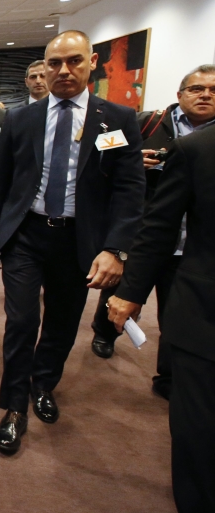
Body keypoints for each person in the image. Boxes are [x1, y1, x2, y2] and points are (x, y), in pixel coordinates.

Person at [0, 31, 145, 455]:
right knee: (20, 321)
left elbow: (130, 190)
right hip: (26, 234)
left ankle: (44, 383)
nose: (64, 71)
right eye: (54, 63)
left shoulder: (118, 119)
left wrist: (116, 248)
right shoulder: (21, 118)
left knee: (63, 320)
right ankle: (14, 405)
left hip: (80, 239)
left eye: (74, 61)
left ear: (92, 62)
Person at [89, 64, 215, 400]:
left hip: (189, 244)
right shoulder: (145, 122)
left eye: (213, 91)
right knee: (119, 288)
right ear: (180, 95)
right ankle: (104, 333)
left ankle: (168, 375)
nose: (205, 96)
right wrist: (133, 161)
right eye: (197, 89)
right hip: (141, 231)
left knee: (177, 311)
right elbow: (100, 151)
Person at [107, 123, 215, 513]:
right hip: (205, 311)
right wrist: (130, 292)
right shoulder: (197, 147)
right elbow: (159, 226)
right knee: (199, 427)